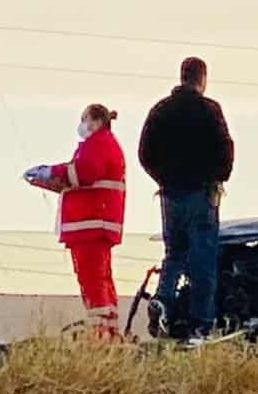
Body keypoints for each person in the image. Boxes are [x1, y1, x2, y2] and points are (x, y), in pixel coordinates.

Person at [138, 57, 234, 342]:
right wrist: (218, 177)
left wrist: (163, 179)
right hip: (201, 195)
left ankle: (164, 300)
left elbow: (145, 153)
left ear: (181, 77)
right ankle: (200, 325)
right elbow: (226, 150)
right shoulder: (210, 110)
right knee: (203, 259)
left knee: (174, 254)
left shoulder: (161, 111)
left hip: (171, 195)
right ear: (201, 78)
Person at [24, 105, 127, 339]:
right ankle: (108, 331)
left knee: (92, 280)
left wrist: (52, 171)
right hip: (95, 224)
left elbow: (83, 173)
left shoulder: (98, 144)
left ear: (97, 121)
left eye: (85, 119)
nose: (82, 125)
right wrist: (52, 179)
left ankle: (100, 334)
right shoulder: (102, 144)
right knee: (99, 279)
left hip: (90, 224)